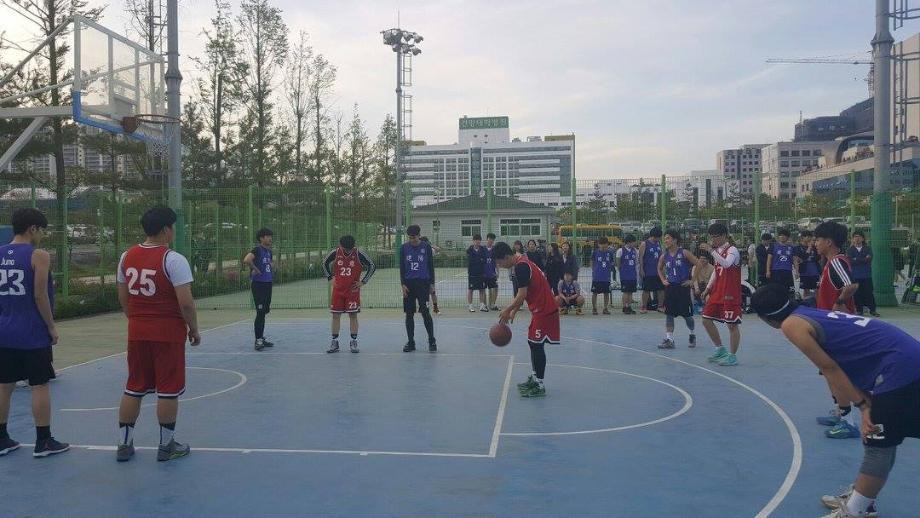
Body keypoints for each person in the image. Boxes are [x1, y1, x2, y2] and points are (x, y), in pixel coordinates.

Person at [751, 282, 920, 518]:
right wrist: (866, 401)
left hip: (901, 368)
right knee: (883, 440)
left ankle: (856, 511)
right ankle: (863, 498)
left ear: (765, 318)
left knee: (877, 442)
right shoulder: (807, 312)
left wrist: (863, 407)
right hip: (904, 359)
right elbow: (851, 359)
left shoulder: (791, 324)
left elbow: (830, 368)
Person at [115, 207, 200, 462]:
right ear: (166, 229)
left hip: (137, 331)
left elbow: (123, 296)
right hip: (167, 333)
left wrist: (136, 319)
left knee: (134, 386)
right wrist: (194, 329)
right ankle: (166, 446)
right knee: (168, 389)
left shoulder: (126, 256)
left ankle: (124, 444)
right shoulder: (173, 259)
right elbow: (186, 303)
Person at [0, 208, 69, 458]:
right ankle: (44, 441)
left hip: (4, 331)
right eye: (42, 231)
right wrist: (51, 326)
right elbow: (39, 295)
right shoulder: (38, 255)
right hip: (31, 332)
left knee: (4, 385)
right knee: (39, 385)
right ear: (33, 229)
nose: (42, 235)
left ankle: (1, 438)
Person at [813, 221, 861, 439]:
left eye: (818, 239)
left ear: (829, 242)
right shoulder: (830, 263)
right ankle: (841, 412)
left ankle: (848, 422)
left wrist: (839, 302)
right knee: (829, 371)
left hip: (838, 328)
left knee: (835, 372)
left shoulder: (836, 262)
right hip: (829, 325)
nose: (815, 243)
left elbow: (852, 285)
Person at [495, 242, 560, 398]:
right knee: (533, 343)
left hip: (545, 310)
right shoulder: (522, 262)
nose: (500, 266)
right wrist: (514, 310)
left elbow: (522, 294)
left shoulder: (521, 267)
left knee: (537, 345)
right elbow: (525, 291)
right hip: (539, 309)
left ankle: (539, 384)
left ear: (506, 257)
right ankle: (535, 377)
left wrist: (507, 310)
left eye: (499, 262)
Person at [698, 223, 743, 367]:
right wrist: (708, 288)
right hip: (718, 291)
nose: (713, 240)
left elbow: (726, 264)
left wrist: (711, 250)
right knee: (706, 319)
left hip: (730, 293)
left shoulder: (732, 250)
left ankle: (732, 356)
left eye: (715, 237)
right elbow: (716, 272)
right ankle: (720, 349)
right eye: (711, 237)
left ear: (724, 235)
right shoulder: (717, 251)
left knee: (732, 325)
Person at [322, 235, 376, 353]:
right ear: (341, 246)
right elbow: (324, 263)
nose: (348, 251)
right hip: (338, 290)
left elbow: (372, 266)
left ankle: (353, 341)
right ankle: (334, 342)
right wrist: (330, 278)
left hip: (352, 291)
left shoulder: (358, 254)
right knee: (336, 315)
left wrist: (363, 282)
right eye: (345, 249)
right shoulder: (335, 253)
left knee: (353, 315)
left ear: (353, 246)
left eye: (350, 249)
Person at [657, 229, 700, 349]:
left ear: (675, 240)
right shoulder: (664, 256)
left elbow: (698, 264)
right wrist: (663, 280)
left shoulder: (684, 253)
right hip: (671, 287)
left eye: (668, 238)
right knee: (669, 314)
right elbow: (659, 268)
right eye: (665, 238)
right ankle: (669, 339)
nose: (665, 240)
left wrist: (692, 280)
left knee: (687, 316)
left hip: (683, 287)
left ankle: (692, 334)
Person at [401, 225, 436, 352]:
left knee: (425, 313)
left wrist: (432, 283)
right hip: (409, 285)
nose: (412, 240)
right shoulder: (404, 248)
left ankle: (432, 341)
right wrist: (403, 284)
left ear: (419, 235)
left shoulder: (426, 247)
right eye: (410, 238)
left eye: (414, 237)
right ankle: (411, 342)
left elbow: (430, 266)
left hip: (423, 284)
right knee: (409, 314)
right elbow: (402, 267)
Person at [243, 228, 274, 351]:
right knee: (260, 312)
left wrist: (271, 267)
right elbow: (247, 259)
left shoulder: (269, 252)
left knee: (264, 311)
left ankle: (261, 336)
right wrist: (255, 269)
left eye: (270, 236)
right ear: (261, 238)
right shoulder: (257, 249)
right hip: (259, 285)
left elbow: (269, 264)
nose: (270, 238)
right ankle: (258, 340)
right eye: (267, 236)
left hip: (268, 284)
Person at [848, 231, 879, 317]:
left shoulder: (867, 248)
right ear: (852, 239)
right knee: (857, 294)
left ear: (862, 238)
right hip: (855, 275)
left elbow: (869, 259)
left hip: (866, 275)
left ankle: (872, 310)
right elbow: (850, 261)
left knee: (869, 293)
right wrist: (863, 259)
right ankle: (859, 310)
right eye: (855, 237)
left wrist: (856, 259)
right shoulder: (850, 250)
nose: (857, 238)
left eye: (859, 237)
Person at [638, 227, 664, 314]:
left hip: (658, 271)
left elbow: (661, 256)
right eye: (659, 237)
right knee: (646, 290)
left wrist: (663, 269)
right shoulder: (644, 244)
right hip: (648, 271)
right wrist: (641, 269)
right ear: (654, 236)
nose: (659, 239)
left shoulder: (658, 244)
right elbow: (640, 258)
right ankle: (644, 307)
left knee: (661, 289)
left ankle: (660, 306)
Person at [590, 237, 616, 315]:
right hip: (597, 277)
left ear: (607, 244)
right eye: (601, 245)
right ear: (598, 245)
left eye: (605, 245)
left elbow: (612, 262)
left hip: (606, 277)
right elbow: (592, 261)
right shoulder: (595, 252)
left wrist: (610, 268)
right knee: (595, 293)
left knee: (606, 293)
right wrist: (594, 270)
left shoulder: (610, 253)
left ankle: (605, 308)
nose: (603, 247)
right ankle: (594, 308)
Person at [767, 228, 795, 294]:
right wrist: (768, 271)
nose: (782, 237)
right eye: (780, 235)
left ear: (787, 237)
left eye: (784, 235)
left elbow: (794, 259)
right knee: (776, 291)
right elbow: (769, 259)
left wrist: (797, 270)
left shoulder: (792, 247)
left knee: (789, 291)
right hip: (776, 271)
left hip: (788, 271)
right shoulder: (773, 246)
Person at [617, 234, 639, 314]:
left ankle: (629, 306)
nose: (635, 243)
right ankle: (624, 307)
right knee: (626, 291)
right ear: (629, 242)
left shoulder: (635, 251)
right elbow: (618, 264)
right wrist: (622, 271)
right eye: (634, 242)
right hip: (625, 275)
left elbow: (636, 262)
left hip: (633, 274)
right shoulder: (620, 251)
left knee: (631, 292)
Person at [466, 234, 489, 312]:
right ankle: (470, 306)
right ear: (473, 241)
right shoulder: (469, 250)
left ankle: (482, 305)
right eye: (476, 240)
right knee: (471, 289)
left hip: (481, 273)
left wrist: (480, 260)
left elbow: (484, 260)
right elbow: (471, 261)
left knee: (482, 289)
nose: (477, 242)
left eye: (479, 240)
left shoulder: (483, 249)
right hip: (472, 273)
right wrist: (479, 260)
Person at [795, 230, 821, 299]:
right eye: (807, 236)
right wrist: (809, 248)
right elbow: (802, 257)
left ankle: (817, 303)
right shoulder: (798, 248)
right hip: (804, 272)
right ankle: (807, 303)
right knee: (806, 291)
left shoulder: (814, 247)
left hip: (815, 272)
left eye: (810, 236)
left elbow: (818, 257)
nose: (809, 238)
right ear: (802, 237)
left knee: (817, 289)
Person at [420, 237, 441, 314]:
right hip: (421, 274)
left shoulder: (430, 250)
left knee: (432, 291)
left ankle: (435, 308)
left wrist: (430, 245)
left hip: (430, 274)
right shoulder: (419, 250)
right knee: (423, 292)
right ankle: (424, 307)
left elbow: (438, 249)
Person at [484, 233, 500, 310]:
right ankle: (484, 304)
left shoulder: (494, 250)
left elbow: (496, 261)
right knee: (483, 289)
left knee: (494, 288)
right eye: (490, 239)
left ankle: (492, 304)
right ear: (487, 239)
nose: (491, 240)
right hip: (484, 273)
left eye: (492, 239)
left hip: (492, 273)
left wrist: (497, 271)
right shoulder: (483, 249)